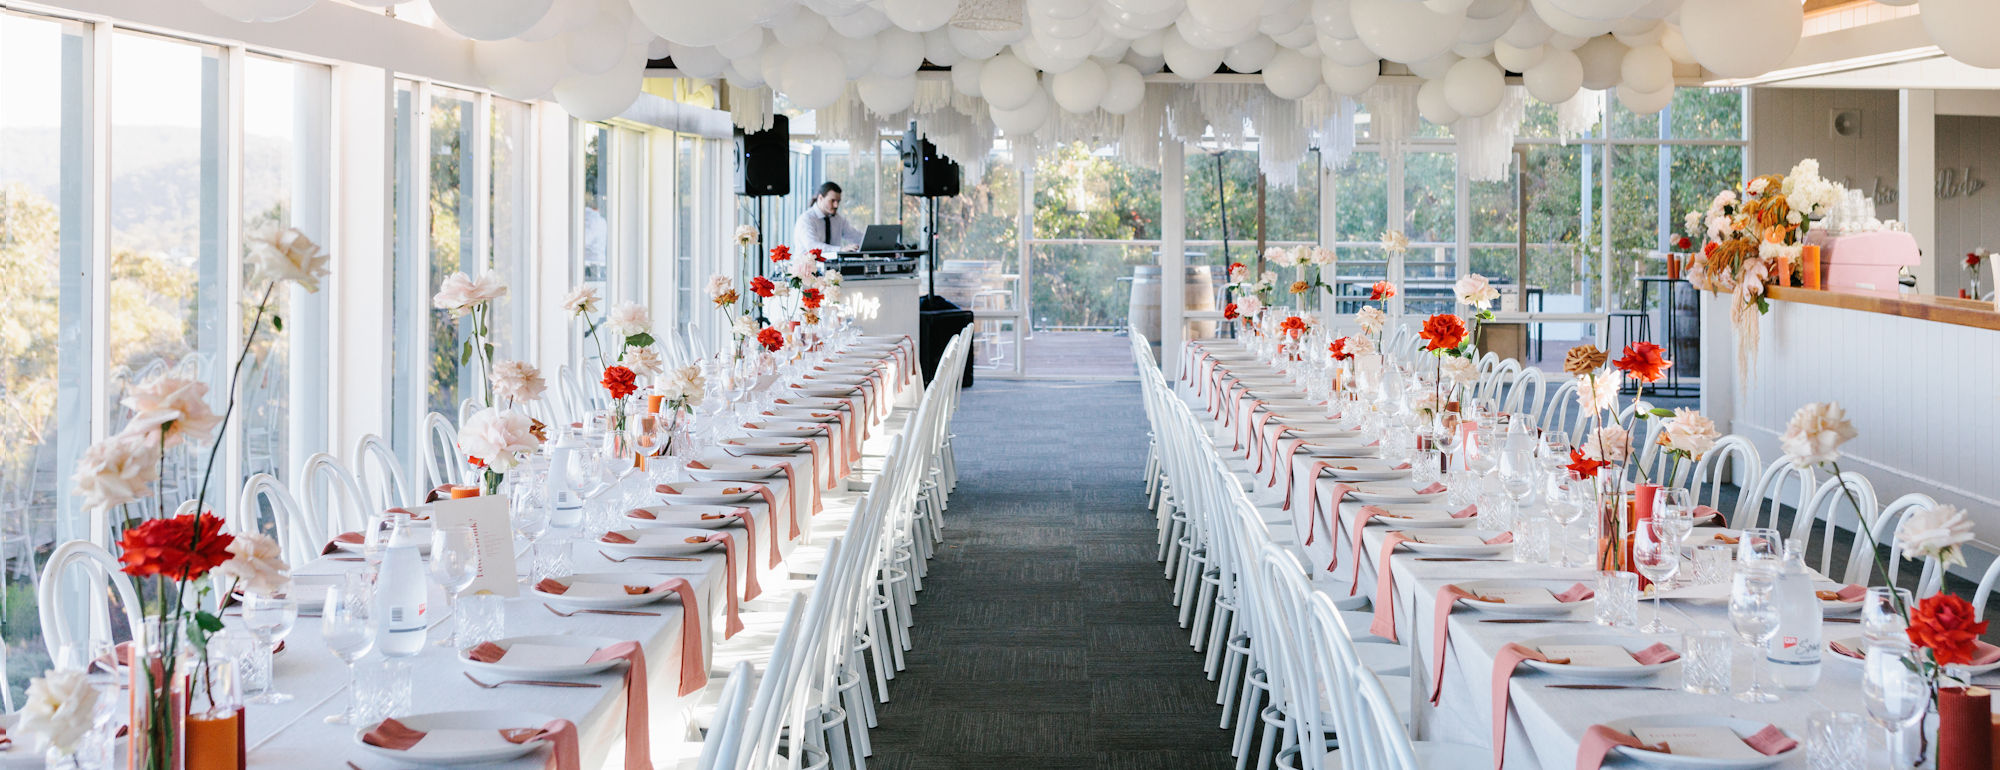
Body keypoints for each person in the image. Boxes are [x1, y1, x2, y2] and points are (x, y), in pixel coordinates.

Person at [793, 181, 864, 257]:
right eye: (832, 201)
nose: (836, 205)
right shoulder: (806, 219)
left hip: (832, 267)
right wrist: (840, 250)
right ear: (820, 198)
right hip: (807, 267)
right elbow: (812, 246)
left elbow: (855, 236)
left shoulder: (838, 219)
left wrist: (873, 241)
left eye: (838, 201)